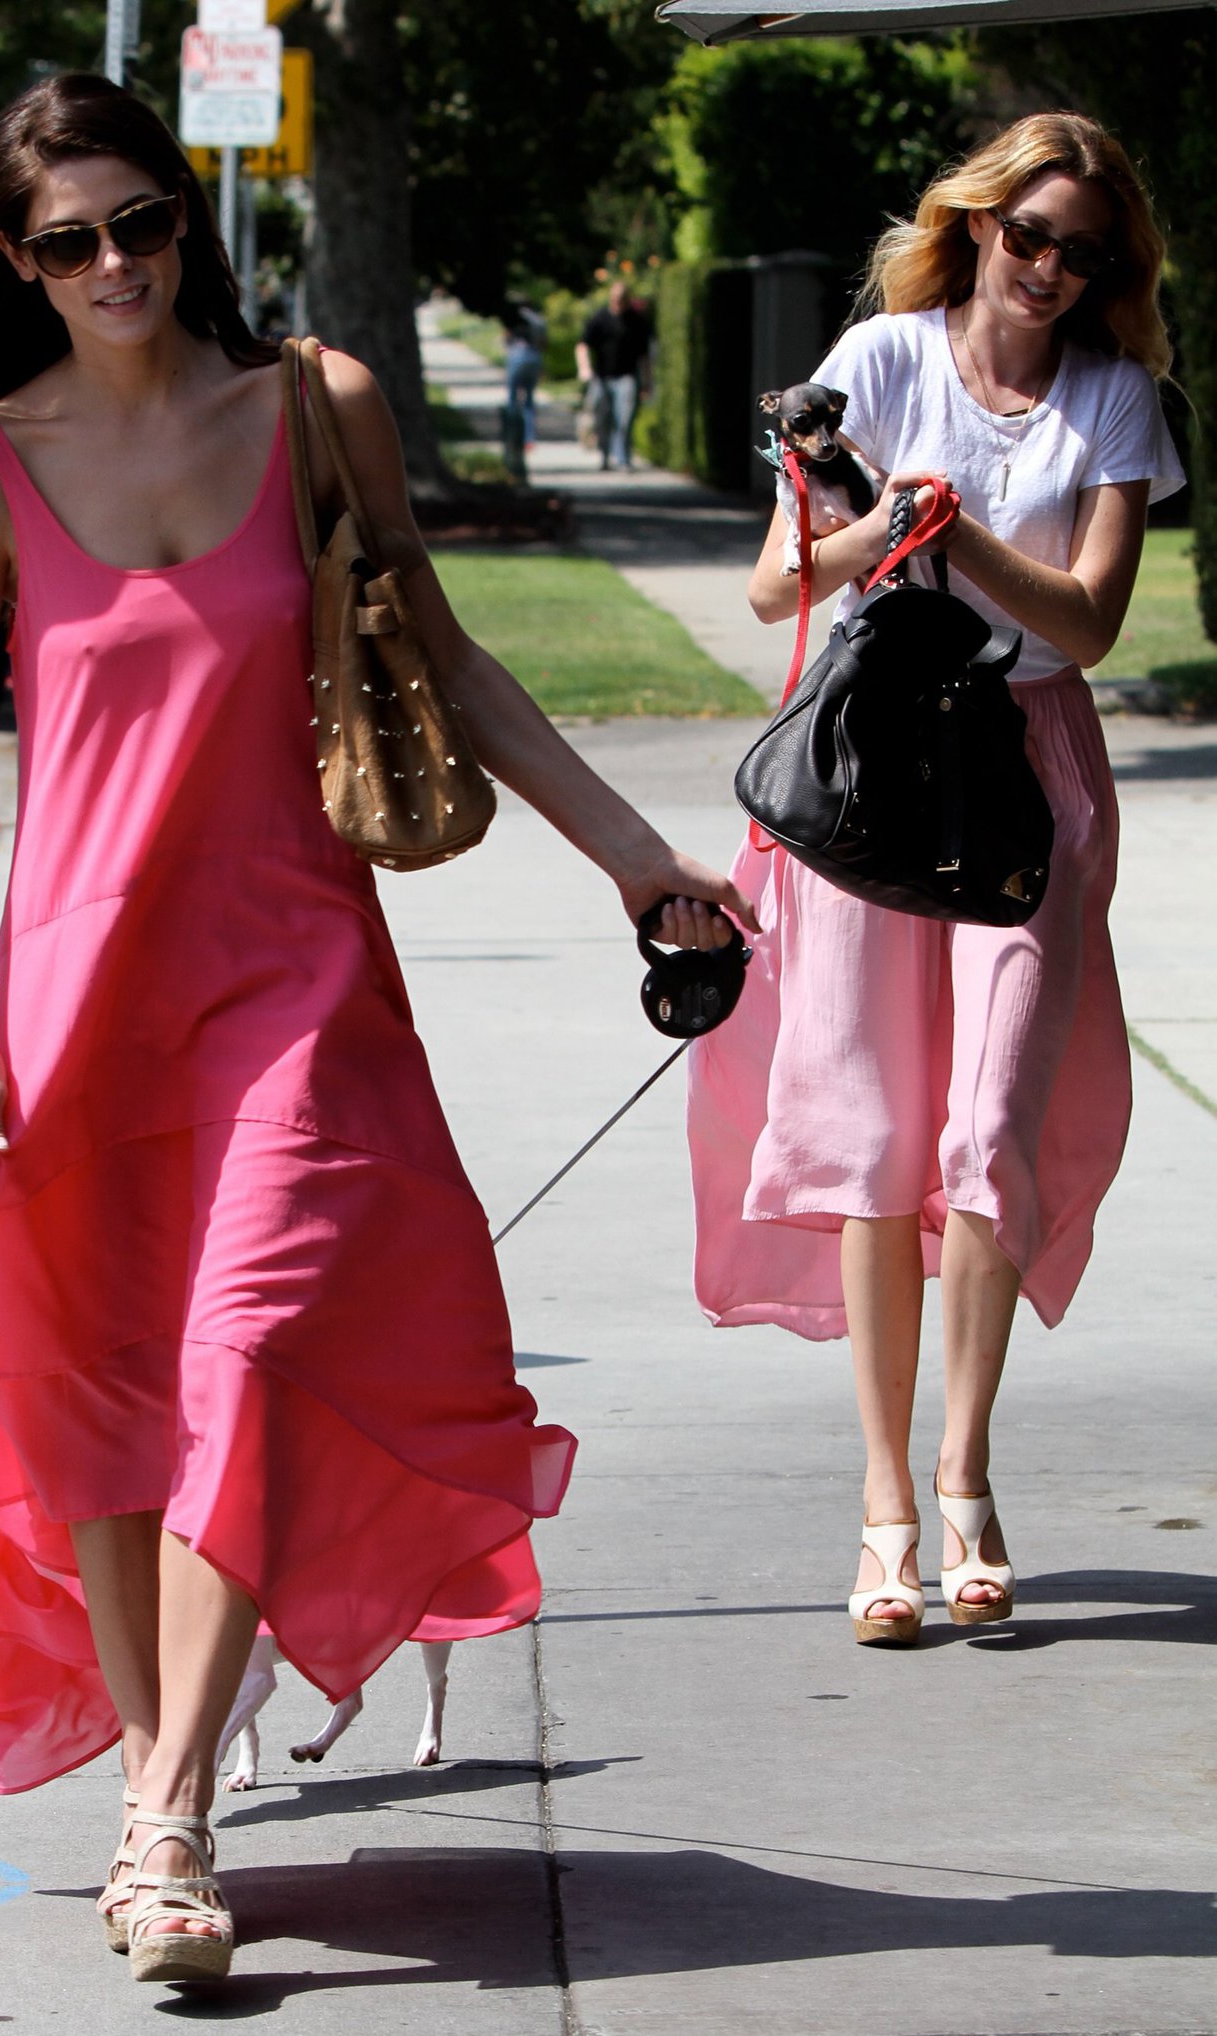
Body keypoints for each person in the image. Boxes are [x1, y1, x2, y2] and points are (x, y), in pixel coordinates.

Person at [0, 75, 752, 1986]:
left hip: (294, 983)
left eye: (139, 222)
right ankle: (156, 1784)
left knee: (257, 1351)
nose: (115, 264)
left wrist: (633, 863)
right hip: (74, 994)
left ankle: (172, 1803)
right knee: (109, 1404)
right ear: (14, 263)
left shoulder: (310, 407)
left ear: (181, 221)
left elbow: (443, 659)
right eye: (68, 240)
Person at [688, 112, 1182, 1647]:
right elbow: (780, 580)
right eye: (1024, 235)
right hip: (874, 766)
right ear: (972, 226)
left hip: (1027, 769)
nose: (1044, 269)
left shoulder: (1114, 398)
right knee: (875, 1129)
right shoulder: (882, 359)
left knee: (984, 1132)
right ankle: (883, 1508)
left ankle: (964, 1484)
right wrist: (875, 526)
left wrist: (948, 537)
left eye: (1079, 252)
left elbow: (1089, 624)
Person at [576, 279, 651, 470]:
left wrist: (646, 382)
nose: (619, 302)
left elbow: (644, 356)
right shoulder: (600, 318)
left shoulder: (636, 321)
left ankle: (623, 458)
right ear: (611, 298)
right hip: (602, 377)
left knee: (624, 419)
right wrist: (584, 368)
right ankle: (605, 456)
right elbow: (583, 345)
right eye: (616, 298)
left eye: (623, 298)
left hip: (626, 377)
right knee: (602, 419)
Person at [502, 299, 547, 454]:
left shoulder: (512, 318)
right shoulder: (539, 320)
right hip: (534, 358)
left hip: (516, 357)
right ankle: (529, 439)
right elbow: (543, 344)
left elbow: (507, 339)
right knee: (529, 401)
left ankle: (512, 437)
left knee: (513, 399)